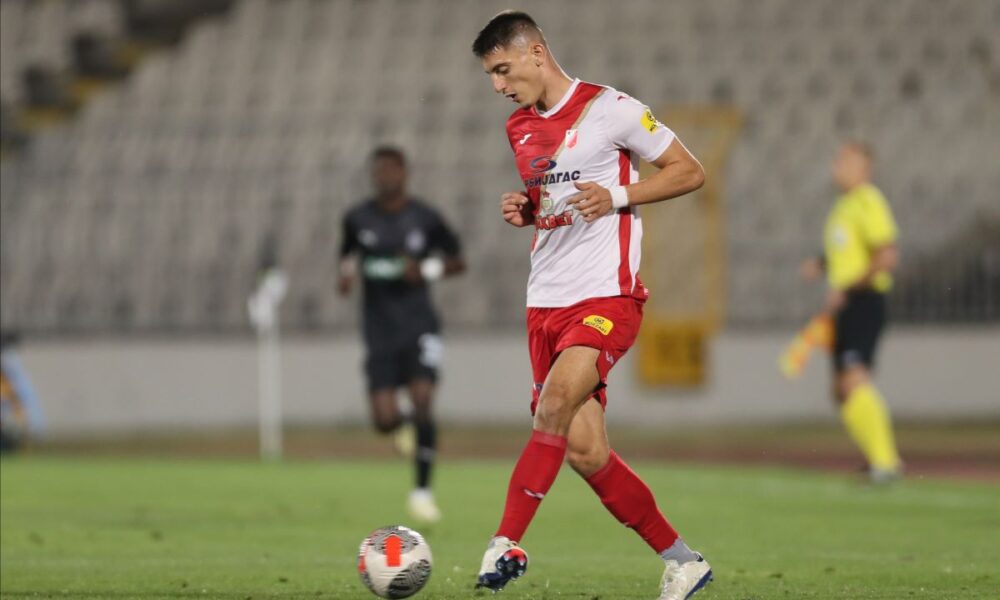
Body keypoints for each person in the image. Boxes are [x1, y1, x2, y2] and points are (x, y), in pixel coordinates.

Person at [471, 12, 711, 600]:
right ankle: (683, 562)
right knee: (584, 450)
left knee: (553, 403)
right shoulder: (519, 128)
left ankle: (505, 543)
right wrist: (529, 210)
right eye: (491, 76)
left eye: (502, 69)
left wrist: (620, 195)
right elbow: (554, 198)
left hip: (607, 294)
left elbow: (690, 171)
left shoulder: (615, 109)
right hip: (544, 301)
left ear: (535, 52)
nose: (499, 85)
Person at [338, 146, 466, 522]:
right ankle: (404, 427)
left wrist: (426, 271)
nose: (385, 177)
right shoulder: (357, 218)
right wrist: (345, 274)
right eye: (379, 171)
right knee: (383, 420)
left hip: (419, 324)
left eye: (391, 170)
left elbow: (458, 260)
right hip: (378, 330)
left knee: (423, 398)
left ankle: (422, 493)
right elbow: (347, 255)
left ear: (404, 174)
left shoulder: (425, 218)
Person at [800, 142, 903, 483]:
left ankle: (886, 463)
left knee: (854, 379)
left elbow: (886, 255)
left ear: (864, 169)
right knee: (841, 389)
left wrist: (846, 288)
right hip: (848, 303)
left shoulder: (867, 200)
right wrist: (823, 263)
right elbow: (850, 253)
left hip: (864, 300)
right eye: (838, 160)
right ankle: (879, 460)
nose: (837, 167)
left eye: (846, 161)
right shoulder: (843, 206)